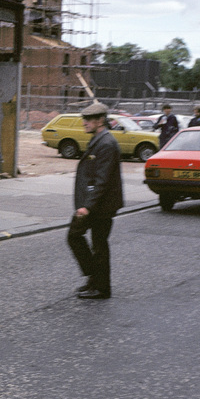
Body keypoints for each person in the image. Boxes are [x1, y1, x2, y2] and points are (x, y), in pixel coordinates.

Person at [68, 102, 123, 300]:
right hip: (96, 204)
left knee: (91, 242)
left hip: (100, 206)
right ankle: (96, 280)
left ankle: (101, 287)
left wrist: (87, 207)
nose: (84, 123)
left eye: (87, 119)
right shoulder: (100, 140)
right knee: (90, 242)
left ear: (100, 121)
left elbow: (103, 180)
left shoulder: (106, 144)